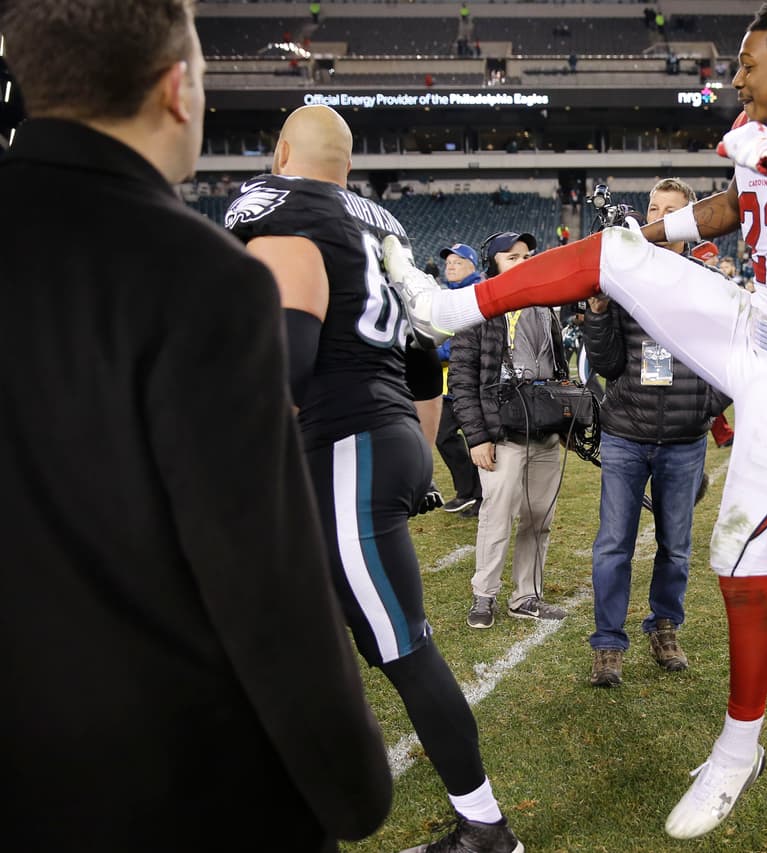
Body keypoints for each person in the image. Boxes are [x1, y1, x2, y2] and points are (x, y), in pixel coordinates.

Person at [384, 1, 767, 837]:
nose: (736, 78)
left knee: (737, 555)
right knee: (616, 252)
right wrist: (656, 234)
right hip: (755, 317)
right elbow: (733, 207)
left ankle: (738, 747)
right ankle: (448, 306)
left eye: (749, 63)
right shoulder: (765, 140)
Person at [0, 3, 392, 850]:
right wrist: (351, 781)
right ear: (178, 90)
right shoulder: (205, 281)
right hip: (158, 778)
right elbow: (262, 580)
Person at [226, 105, 522, 853]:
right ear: (349, 168)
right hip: (380, 433)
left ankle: (487, 831)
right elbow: (424, 361)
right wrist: (420, 457)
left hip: (339, 443)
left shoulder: (281, 214)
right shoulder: (378, 229)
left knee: (402, 647)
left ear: (282, 150)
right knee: (297, 640)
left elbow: (287, 354)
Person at [581, 178, 731, 688]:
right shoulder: (624, 280)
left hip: (684, 439)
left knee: (677, 547)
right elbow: (606, 363)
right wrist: (597, 315)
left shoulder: (707, 283)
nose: (658, 216)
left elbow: (730, 361)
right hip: (626, 432)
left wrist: (702, 408)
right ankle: (607, 643)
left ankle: (665, 626)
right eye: (652, 208)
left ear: (688, 222)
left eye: (670, 210)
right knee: (613, 544)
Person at [449, 232, 572, 629]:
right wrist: (477, 435)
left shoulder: (546, 305)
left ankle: (527, 596)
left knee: (539, 517)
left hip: (544, 431)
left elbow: (559, 370)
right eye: (513, 257)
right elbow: (462, 380)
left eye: (528, 256)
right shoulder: (478, 308)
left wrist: (566, 418)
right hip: (500, 434)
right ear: (493, 262)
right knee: (496, 516)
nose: (523, 261)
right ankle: (484, 595)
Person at [437, 243, 486, 517]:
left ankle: (481, 496)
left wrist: (427, 350)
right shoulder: (448, 296)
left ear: (472, 265)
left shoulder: (474, 294)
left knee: (477, 439)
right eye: (448, 263)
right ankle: (467, 491)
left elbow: (455, 345)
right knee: (444, 437)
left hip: (473, 382)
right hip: (451, 384)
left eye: (457, 261)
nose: (450, 266)